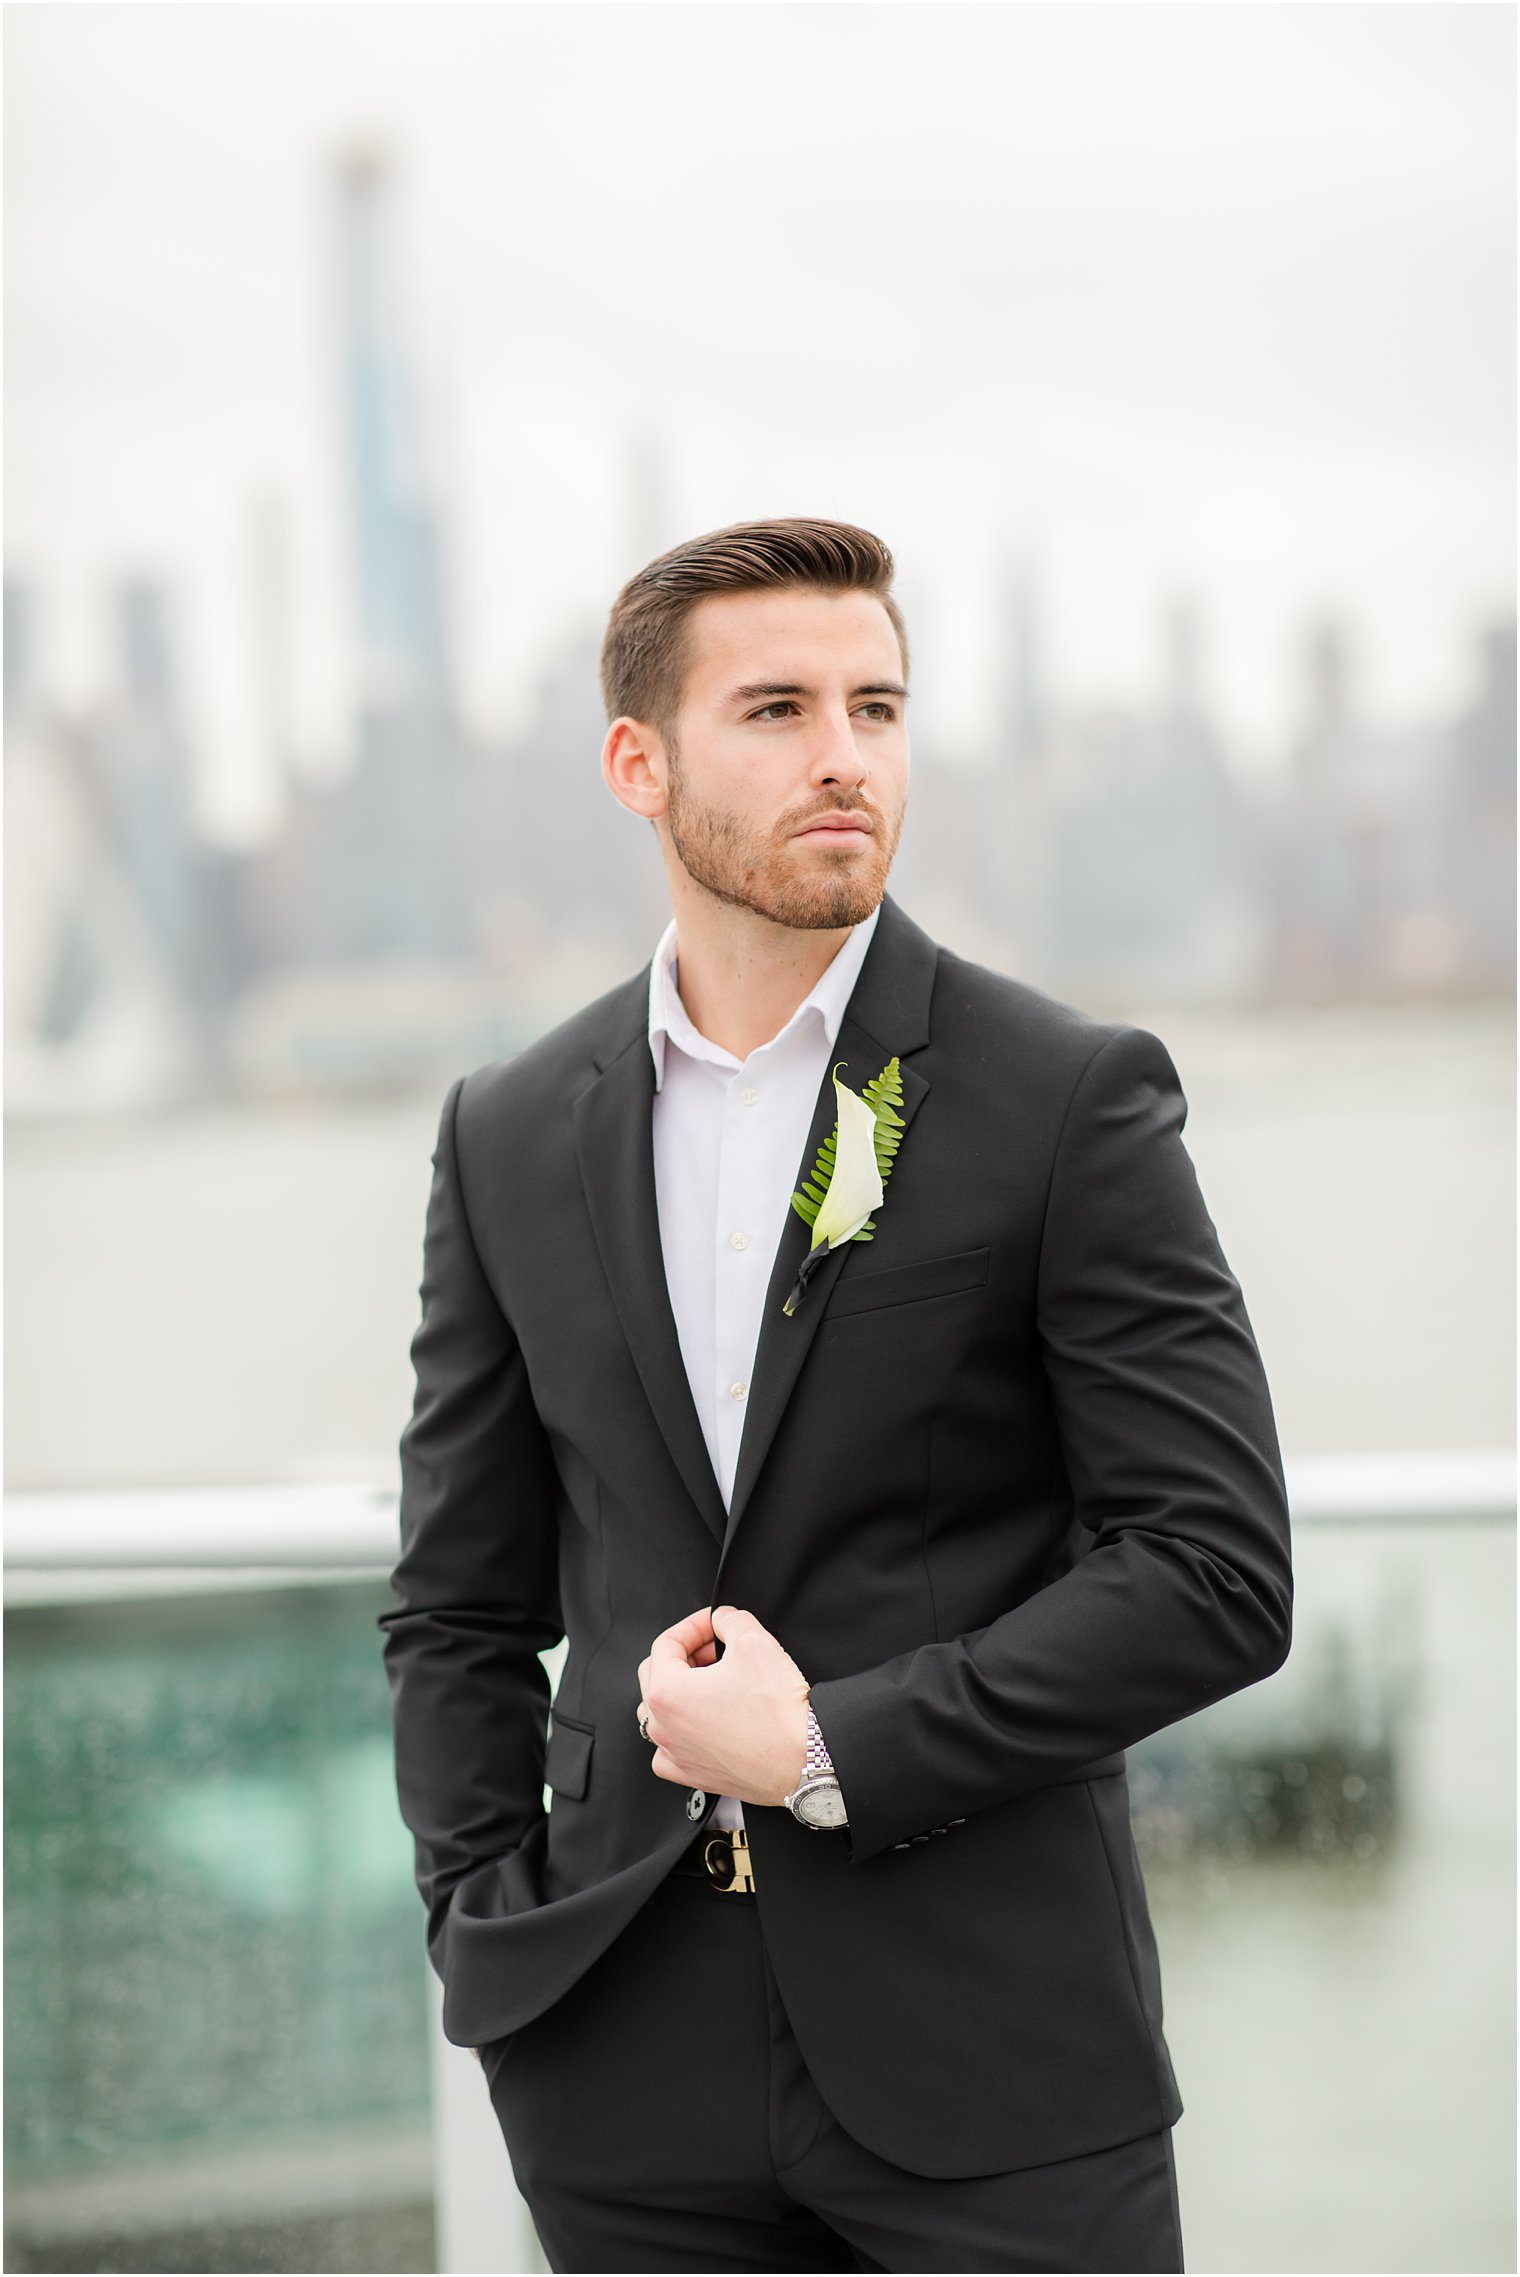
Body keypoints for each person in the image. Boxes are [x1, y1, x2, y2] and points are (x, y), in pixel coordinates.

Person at [380, 516, 1293, 2274]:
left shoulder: (1064, 1097)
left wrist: (824, 1750)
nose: (843, 759)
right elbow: (453, 1601)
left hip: (998, 2063)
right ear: (637, 763)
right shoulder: (505, 1131)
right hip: (615, 2069)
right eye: (778, 708)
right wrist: (484, 1933)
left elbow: (1215, 1570)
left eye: (877, 707)